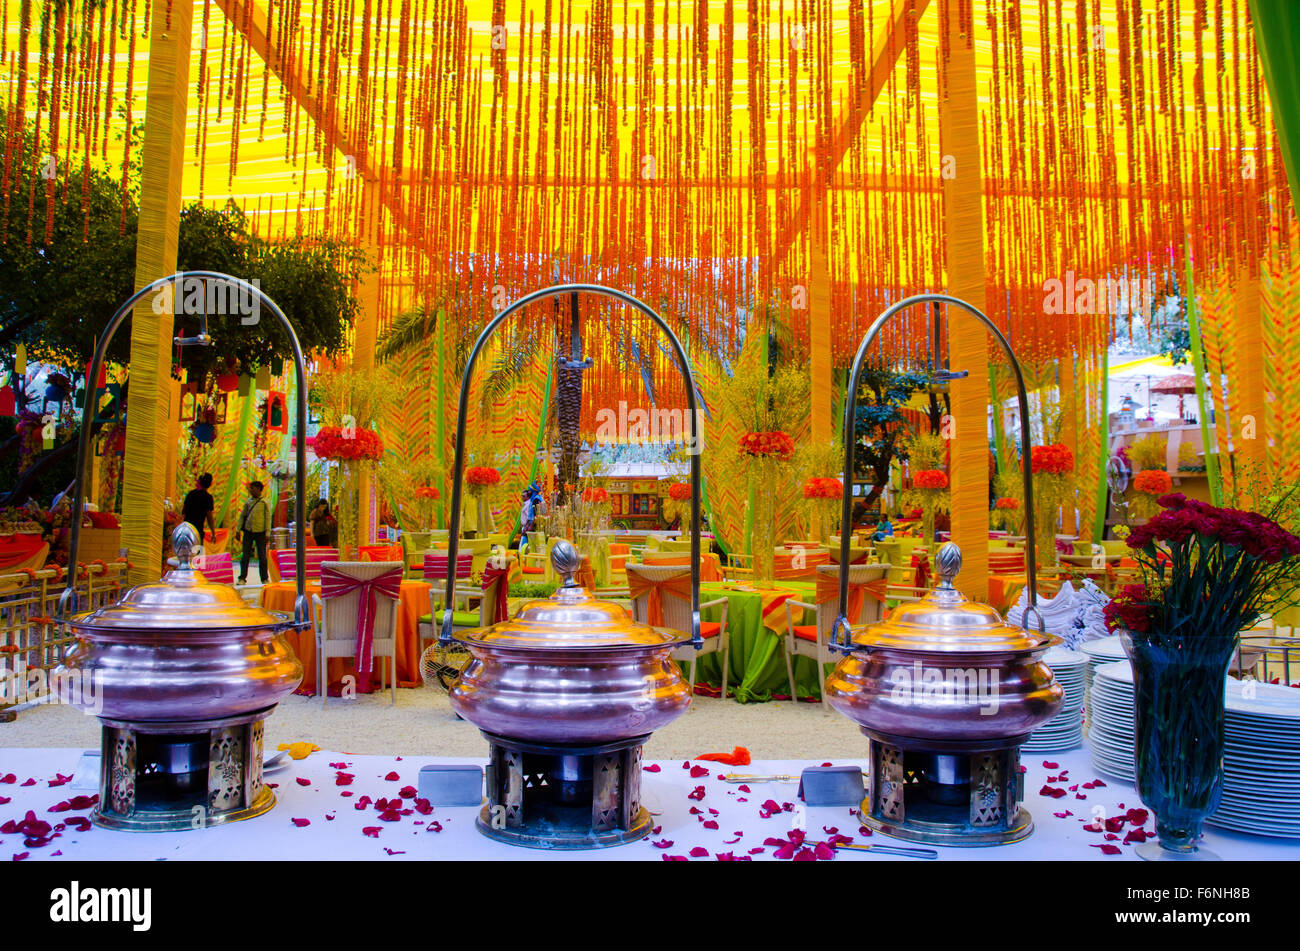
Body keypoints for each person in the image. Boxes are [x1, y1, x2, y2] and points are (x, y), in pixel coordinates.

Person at [235, 481, 272, 584]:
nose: (251, 490)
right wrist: (238, 530)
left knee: (262, 556)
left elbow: (268, 518)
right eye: (250, 488)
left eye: (253, 488)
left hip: (261, 532)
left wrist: (268, 533)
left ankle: (264, 578)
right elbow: (242, 516)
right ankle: (242, 578)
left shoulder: (265, 502)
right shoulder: (248, 502)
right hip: (248, 531)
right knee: (245, 556)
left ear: (259, 489)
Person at [182, 473, 217, 544]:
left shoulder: (190, 494)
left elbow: (183, 512)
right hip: (198, 530)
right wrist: (213, 532)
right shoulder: (208, 498)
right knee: (197, 552)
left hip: (186, 529)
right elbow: (209, 517)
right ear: (210, 484)